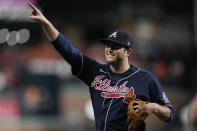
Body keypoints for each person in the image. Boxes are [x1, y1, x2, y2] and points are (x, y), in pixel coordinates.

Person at [28, 3, 173, 131]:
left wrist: (152, 107)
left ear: (128, 52)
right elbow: (67, 50)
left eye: (115, 46)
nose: (109, 49)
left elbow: (169, 114)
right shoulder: (95, 71)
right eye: (108, 45)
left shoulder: (145, 78)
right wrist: (46, 24)